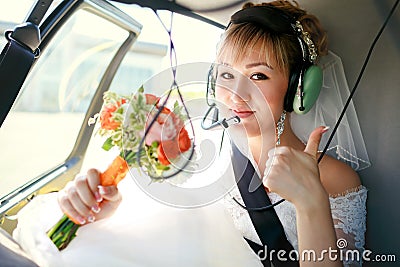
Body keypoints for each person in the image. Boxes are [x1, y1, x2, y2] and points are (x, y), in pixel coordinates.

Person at [56, 1, 369, 266]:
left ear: (298, 89)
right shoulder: (208, 154)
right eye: (227, 74)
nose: (236, 94)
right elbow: (173, 224)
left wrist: (309, 201)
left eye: (258, 75)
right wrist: (103, 207)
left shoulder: (334, 180)